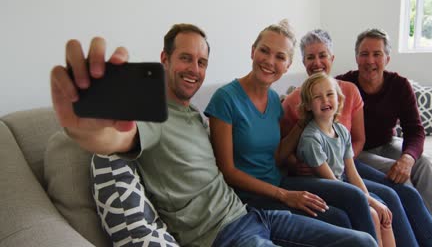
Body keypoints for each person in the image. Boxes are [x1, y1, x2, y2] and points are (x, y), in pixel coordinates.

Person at [50, 23, 377, 247]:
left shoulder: (193, 114)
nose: (195, 69)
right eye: (185, 59)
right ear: (165, 59)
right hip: (222, 234)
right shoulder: (150, 117)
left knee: (361, 240)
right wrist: (89, 132)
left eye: (202, 61)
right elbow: (118, 139)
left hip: (252, 214)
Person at [204, 20, 378, 240]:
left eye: (280, 57)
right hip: (251, 195)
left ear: (287, 66)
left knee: (354, 196)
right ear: (252, 51)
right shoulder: (225, 99)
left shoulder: (275, 101)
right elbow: (227, 172)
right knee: (339, 218)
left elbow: (276, 156)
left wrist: (302, 123)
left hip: (279, 181)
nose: (269, 61)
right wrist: (285, 196)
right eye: (264, 51)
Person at [282, 29, 432, 246]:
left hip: (350, 160)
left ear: (332, 58)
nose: (317, 62)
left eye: (323, 55)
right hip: (326, 171)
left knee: (410, 183)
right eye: (310, 57)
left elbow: (358, 139)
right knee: (389, 196)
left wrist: (346, 159)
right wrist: (295, 164)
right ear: (303, 62)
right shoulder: (295, 103)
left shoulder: (347, 91)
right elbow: (283, 150)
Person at [337, 28, 432, 244]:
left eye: (377, 54)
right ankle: (418, 234)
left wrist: (408, 157)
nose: (370, 60)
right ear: (356, 58)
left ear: (387, 58)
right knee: (398, 175)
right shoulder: (343, 85)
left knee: (423, 164)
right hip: (358, 151)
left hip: (387, 142)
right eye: (364, 54)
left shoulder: (399, 85)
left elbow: (415, 130)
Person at [296, 72, 395, 247]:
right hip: (324, 192)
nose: (325, 100)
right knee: (372, 213)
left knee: (383, 212)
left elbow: (352, 172)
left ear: (338, 99)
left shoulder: (341, 131)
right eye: (317, 97)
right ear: (309, 106)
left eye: (329, 94)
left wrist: (371, 199)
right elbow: (332, 182)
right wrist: (369, 202)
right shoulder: (311, 139)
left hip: (343, 188)